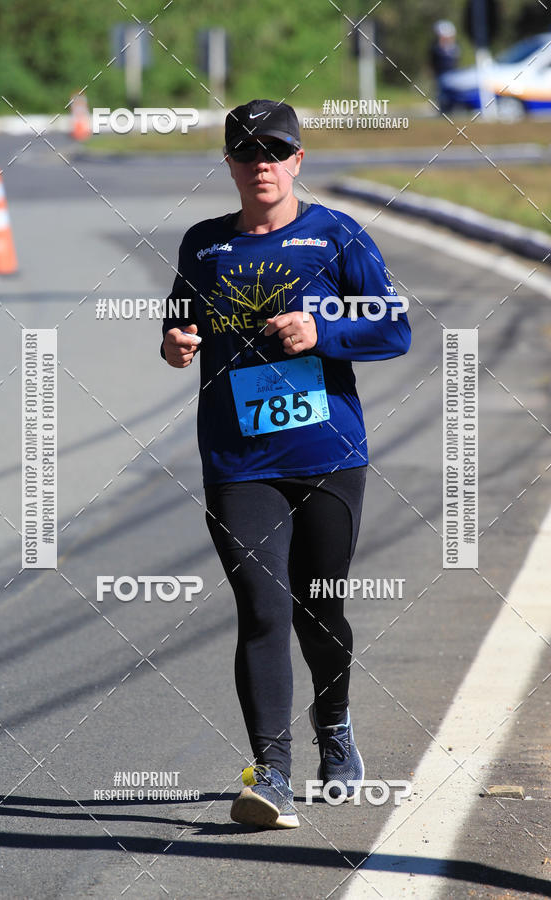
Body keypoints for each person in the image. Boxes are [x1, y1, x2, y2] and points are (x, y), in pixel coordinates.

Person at [161, 99, 411, 829]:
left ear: (298, 159)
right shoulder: (204, 244)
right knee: (262, 608)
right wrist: (174, 344)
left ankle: (335, 727)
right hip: (237, 458)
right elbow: (179, 321)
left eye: (274, 151)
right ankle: (270, 775)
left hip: (326, 454)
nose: (260, 164)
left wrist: (321, 328)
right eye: (245, 152)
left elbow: (393, 326)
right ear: (229, 164)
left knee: (318, 607)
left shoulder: (337, 235)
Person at [430, 20, 461, 114]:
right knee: (442, 96)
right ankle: (444, 111)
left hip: (453, 76)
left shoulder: (454, 48)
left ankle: (451, 110)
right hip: (441, 76)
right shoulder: (436, 48)